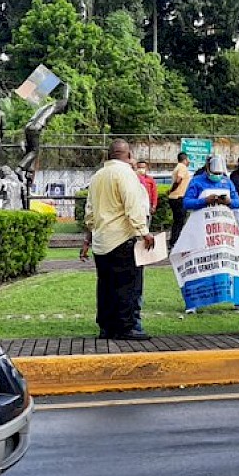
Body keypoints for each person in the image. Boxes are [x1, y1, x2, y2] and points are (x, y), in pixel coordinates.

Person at [82, 140, 154, 340]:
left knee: (105, 286)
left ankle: (106, 327)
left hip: (101, 239)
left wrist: (91, 232)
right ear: (128, 154)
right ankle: (125, 327)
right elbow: (133, 205)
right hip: (122, 237)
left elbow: (89, 210)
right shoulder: (125, 174)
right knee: (127, 285)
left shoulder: (97, 176)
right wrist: (143, 231)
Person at [183, 155, 239, 313]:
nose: (217, 176)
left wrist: (228, 201)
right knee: (199, 262)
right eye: (214, 172)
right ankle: (194, 301)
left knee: (231, 261)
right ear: (207, 169)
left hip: (223, 230)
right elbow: (187, 202)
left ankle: (238, 299)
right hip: (202, 229)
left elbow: (237, 202)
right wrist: (204, 201)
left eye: (220, 173)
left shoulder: (227, 182)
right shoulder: (197, 181)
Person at [168, 152, 191, 247]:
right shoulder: (182, 167)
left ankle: (174, 240)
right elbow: (178, 180)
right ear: (185, 159)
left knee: (177, 221)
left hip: (174, 197)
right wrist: (172, 189)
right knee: (180, 221)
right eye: (188, 159)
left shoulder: (177, 167)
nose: (189, 161)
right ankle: (175, 241)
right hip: (179, 197)